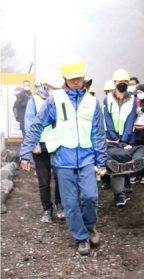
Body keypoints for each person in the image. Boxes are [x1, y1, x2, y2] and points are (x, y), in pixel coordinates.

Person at [20, 54, 107, 255]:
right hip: (63, 160)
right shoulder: (54, 100)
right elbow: (36, 126)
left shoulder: (92, 102)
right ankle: (81, 237)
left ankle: (90, 225)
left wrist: (101, 161)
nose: (77, 82)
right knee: (70, 203)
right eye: (72, 78)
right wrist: (25, 152)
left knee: (91, 197)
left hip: (86, 159)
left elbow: (99, 134)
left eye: (80, 77)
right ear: (65, 78)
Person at [24, 71, 65, 223]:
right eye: (50, 87)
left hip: (57, 145)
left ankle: (61, 205)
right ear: (44, 86)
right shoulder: (33, 101)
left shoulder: (60, 99)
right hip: (40, 147)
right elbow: (29, 125)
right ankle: (47, 210)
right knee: (44, 180)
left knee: (61, 177)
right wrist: (34, 144)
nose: (52, 89)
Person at [103, 69, 144, 206]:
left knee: (138, 150)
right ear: (114, 83)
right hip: (111, 138)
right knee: (115, 158)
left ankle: (135, 163)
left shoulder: (132, 100)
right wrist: (113, 135)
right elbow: (107, 117)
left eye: (124, 82)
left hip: (126, 137)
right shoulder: (107, 98)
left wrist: (125, 138)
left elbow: (131, 118)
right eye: (119, 81)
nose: (122, 84)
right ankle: (120, 193)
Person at [131, 84, 144, 184]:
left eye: (141, 92)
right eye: (138, 92)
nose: (139, 94)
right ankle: (136, 174)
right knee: (136, 153)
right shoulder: (135, 102)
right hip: (137, 132)